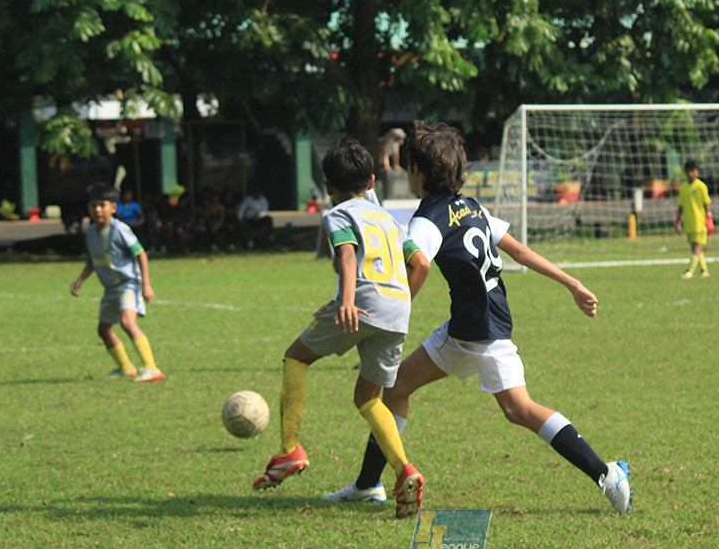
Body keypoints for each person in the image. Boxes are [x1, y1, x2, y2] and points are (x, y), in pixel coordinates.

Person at [322, 121, 632, 513]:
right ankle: (368, 485)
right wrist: (572, 283)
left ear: (417, 171)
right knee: (398, 388)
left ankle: (607, 474)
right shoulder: (472, 206)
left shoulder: (426, 220)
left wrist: (396, 312)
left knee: (520, 409)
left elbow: (420, 263)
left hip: (480, 333)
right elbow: (519, 252)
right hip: (474, 326)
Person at [253, 137, 427, 519]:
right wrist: (396, 303)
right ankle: (404, 471)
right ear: (371, 182)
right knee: (369, 398)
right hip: (397, 311)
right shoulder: (389, 219)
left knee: (296, 358)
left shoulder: (338, 213)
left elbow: (347, 255)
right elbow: (422, 266)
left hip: (360, 304)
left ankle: (288, 450)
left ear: (328, 187)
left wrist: (347, 301)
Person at [70, 182, 164, 382]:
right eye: (93, 205)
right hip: (111, 288)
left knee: (127, 322)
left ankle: (151, 368)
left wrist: (146, 285)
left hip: (129, 283)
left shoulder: (119, 229)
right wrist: (80, 280)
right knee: (103, 330)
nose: (97, 209)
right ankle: (126, 368)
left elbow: (141, 254)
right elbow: (93, 260)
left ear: (113, 207)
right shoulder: (91, 232)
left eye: (102, 205)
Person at [674, 160, 713, 278]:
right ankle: (704, 270)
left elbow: (706, 203)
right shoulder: (684, 188)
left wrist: (709, 218)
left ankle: (690, 271)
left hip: (699, 221)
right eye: (688, 171)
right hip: (689, 221)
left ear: (697, 172)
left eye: (692, 171)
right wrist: (678, 220)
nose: (690, 173)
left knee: (697, 246)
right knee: (694, 246)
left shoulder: (701, 186)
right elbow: (681, 205)